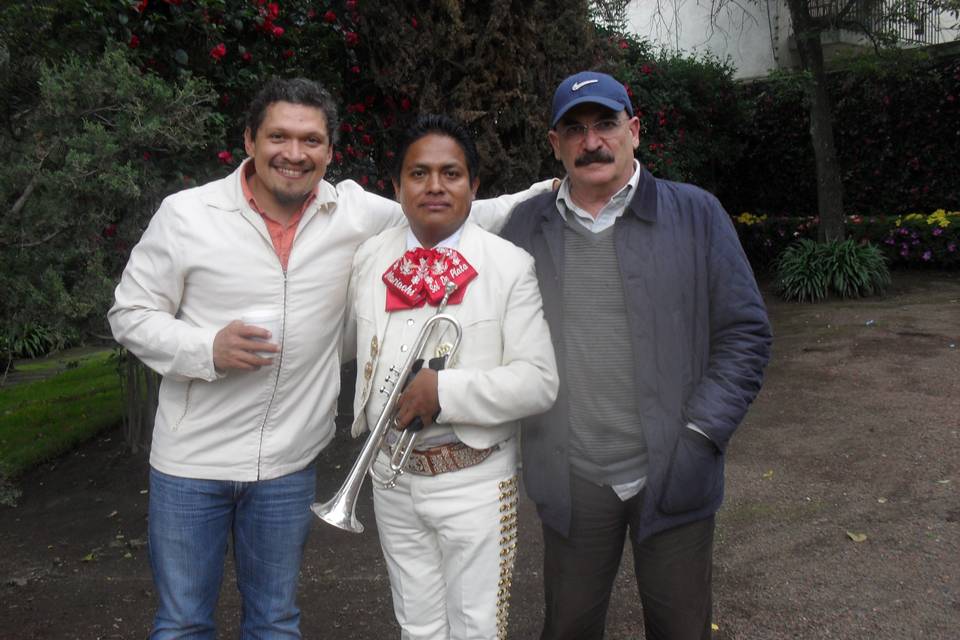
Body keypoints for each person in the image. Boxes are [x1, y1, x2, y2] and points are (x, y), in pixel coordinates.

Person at [108, 78, 553, 638]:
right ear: (249, 139)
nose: (294, 154)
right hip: (191, 462)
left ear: (328, 151)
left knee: (274, 621)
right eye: (279, 136)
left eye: (311, 140)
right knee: (181, 623)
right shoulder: (186, 215)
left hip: (289, 464)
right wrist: (204, 348)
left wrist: (552, 191)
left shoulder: (353, 214)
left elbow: (451, 209)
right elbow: (128, 314)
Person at [500, 71, 772, 640]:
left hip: (673, 473)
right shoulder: (527, 226)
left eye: (605, 124)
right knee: (567, 629)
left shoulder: (696, 214)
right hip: (574, 480)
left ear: (635, 131)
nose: (591, 141)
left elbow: (745, 333)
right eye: (573, 130)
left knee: (680, 630)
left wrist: (699, 435)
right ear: (554, 145)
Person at [344, 114, 559, 640]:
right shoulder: (371, 257)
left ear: (473, 185)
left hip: (476, 482)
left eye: (451, 173)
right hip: (392, 481)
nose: (435, 186)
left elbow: (539, 382)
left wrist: (446, 391)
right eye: (418, 174)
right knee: (416, 628)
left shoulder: (509, 265)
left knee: (476, 631)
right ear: (396, 187)